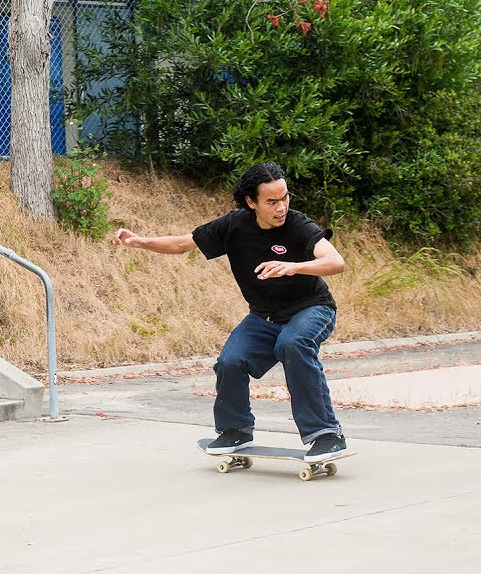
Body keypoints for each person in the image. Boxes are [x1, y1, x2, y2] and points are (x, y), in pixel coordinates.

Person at [112, 162, 351, 461]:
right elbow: (183, 244)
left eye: (285, 197)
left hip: (311, 308)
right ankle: (235, 430)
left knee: (293, 343)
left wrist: (294, 267)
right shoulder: (234, 226)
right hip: (263, 316)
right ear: (252, 202)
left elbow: (336, 261)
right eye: (272, 202)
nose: (282, 207)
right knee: (230, 361)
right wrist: (141, 242)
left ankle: (327, 434)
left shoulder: (298, 225)